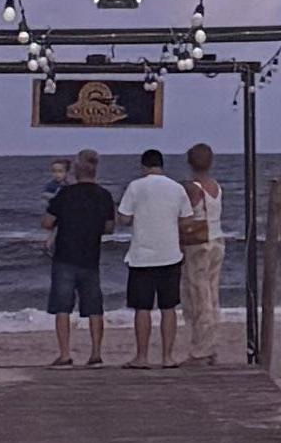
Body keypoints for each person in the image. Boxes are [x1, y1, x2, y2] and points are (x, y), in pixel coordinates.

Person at [116, 144, 190, 364]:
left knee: (142, 308)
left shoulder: (135, 186)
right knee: (168, 308)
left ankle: (142, 357)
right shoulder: (177, 188)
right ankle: (167, 356)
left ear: (143, 166)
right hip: (170, 254)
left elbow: (124, 218)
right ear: (161, 165)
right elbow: (187, 219)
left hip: (142, 257)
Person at [42, 150, 114, 364]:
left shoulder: (65, 194)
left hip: (65, 256)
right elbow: (109, 227)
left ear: (75, 172)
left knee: (62, 307)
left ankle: (65, 354)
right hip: (90, 257)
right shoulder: (104, 195)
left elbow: (47, 222)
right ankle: (96, 354)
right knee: (94, 308)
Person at [178, 141, 224, 360]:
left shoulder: (191, 187)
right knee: (211, 293)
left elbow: (185, 215)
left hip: (198, 243)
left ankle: (201, 349)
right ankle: (210, 344)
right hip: (216, 238)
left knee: (198, 295)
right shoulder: (214, 185)